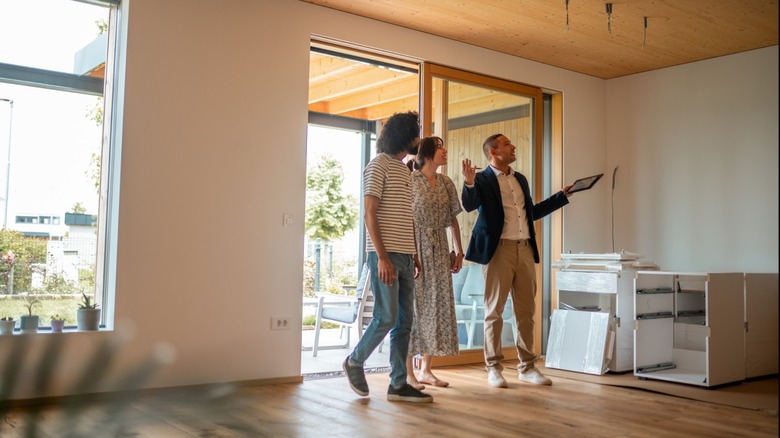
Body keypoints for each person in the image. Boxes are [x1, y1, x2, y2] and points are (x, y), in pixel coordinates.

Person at [461, 134, 573, 388]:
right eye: (507, 144)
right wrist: (468, 183)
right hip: (497, 251)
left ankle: (527, 367)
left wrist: (560, 196)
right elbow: (469, 206)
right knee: (494, 312)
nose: (513, 147)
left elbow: (530, 212)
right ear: (493, 152)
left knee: (526, 312)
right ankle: (493, 368)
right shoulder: (481, 179)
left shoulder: (519, 178)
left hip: (524, 249)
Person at [342, 111, 432, 403]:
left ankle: (398, 383)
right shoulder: (378, 164)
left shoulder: (405, 171)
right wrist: (381, 257)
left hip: (406, 255)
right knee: (386, 316)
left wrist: (414, 254)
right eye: (415, 134)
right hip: (386, 255)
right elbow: (370, 212)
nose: (418, 139)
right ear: (403, 136)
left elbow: (406, 218)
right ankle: (355, 361)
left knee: (406, 321)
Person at [405, 136, 464, 390]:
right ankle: (408, 373)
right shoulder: (410, 180)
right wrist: (411, 251)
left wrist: (458, 250)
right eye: (440, 147)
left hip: (440, 247)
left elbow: (453, 218)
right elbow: (406, 218)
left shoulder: (446, 182)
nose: (445, 151)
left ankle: (426, 369)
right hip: (415, 246)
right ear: (428, 152)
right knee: (415, 309)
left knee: (437, 306)